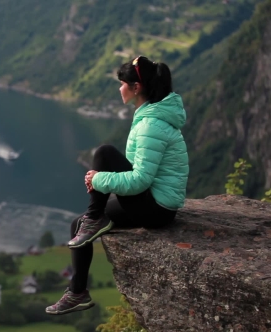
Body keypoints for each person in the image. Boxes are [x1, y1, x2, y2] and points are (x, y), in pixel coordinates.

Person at [45, 55, 189, 315]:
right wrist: (101, 181)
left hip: (157, 208)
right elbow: (138, 174)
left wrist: (97, 179)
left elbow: (139, 180)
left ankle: (94, 217)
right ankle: (77, 292)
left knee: (104, 153)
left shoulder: (151, 125)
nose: (119, 88)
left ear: (136, 88)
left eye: (123, 83)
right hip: (153, 201)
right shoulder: (150, 116)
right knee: (77, 225)